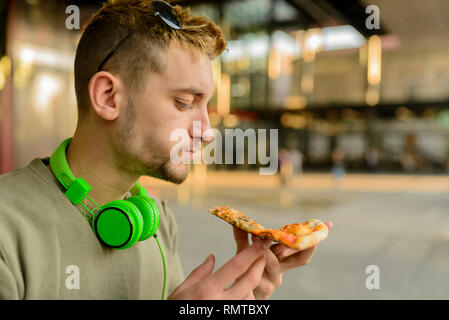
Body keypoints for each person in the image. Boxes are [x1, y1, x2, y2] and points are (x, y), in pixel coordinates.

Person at [0, 0, 331, 300]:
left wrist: (247, 298)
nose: (207, 134)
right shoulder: (7, 228)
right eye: (184, 103)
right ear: (108, 97)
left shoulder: (157, 221)